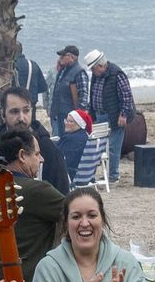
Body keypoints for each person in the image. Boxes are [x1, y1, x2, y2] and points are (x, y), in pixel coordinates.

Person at [0, 128, 68, 277]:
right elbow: (77, 216)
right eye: (36, 154)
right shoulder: (40, 191)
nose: (42, 159)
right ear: (22, 155)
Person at [0, 86, 71, 194]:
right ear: (3, 114)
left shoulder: (47, 147)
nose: (21, 117)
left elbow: (62, 193)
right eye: (14, 112)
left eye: (26, 111)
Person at [84, 49, 136, 185]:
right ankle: (99, 175)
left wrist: (123, 114)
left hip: (114, 116)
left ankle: (113, 175)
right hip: (100, 115)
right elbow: (93, 94)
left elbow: (126, 95)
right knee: (97, 146)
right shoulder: (97, 76)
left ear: (100, 66)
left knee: (113, 147)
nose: (92, 72)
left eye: (93, 69)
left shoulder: (117, 74)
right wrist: (91, 113)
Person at [49, 44, 90, 131]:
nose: (61, 57)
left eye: (64, 55)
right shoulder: (63, 70)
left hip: (70, 117)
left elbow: (83, 96)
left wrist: (78, 117)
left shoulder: (79, 72)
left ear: (72, 57)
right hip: (58, 114)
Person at [57, 108, 91, 182]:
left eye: (71, 121)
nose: (66, 123)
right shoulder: (85, 135)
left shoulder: (71, 139)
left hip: (69, 175)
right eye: (66, 120)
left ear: (79, 124)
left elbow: (65, 160)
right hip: (85, 174)